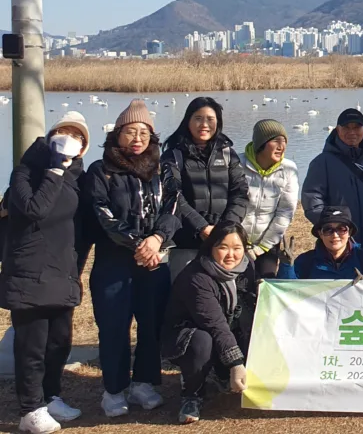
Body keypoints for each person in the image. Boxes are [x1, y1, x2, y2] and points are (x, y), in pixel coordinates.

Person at [84, 100, 180, 418]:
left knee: (151, 326)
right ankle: (113, 389)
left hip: (155, 262)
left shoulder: (163, 169)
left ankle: (144, 382)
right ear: (116, 136)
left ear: (152, 137)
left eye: (143, 132)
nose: (136, 138)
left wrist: (155, 240)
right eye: (129, 132)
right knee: (114, 327)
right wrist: (139, 244)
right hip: (114, 262)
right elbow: (102, 214)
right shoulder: (102, 171)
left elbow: (172, 210)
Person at [0, 113, 90, 433]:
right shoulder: (27, 172)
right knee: (32, 344)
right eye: (64, 133)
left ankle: (51, 396)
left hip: (62, 271)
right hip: (29, 271)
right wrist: (53, 168)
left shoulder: (78, 177)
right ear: (51, 136)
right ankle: (30, 409)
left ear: (83, 148)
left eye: (78, 137)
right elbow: (35, 208)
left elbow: (82, 225)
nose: (70, 139)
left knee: (58, 342)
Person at [161, 224, 257, 425]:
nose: (231, 254)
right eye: (223, 247)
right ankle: (192, 395)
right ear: (211, 247)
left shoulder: (246, 267)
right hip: (187, 336)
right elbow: (215, 324)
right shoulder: (197, 277)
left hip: (227, 330)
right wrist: (236, 364)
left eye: (237, 248)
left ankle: (221, 375)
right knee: (202, 341)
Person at [162, 97, 249, 280]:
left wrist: (225, 229)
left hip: (223, 241)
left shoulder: (227, 154)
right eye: (198, 118)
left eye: (210, 119)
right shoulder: (174, 155)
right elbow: (173, 195)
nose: (204, 124)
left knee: (222, 298)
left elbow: (240, 193)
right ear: (188, 121)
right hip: (186, 241)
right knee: (185, 295)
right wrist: (201, 227)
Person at [302, 108, 363, 259]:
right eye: (346, 127)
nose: (352, 132)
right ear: (338, 129)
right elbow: (312, 198)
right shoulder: (322, 162)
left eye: (356, 127)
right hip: (336, 242)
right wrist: (329, 228)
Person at [239, 119, 298, 279]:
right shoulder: (237, 165)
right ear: (261, 143)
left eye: (284, 141)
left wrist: (262, 247)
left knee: (265, 284)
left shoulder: (288, 169)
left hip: (268, 244)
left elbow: (285, 212)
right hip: (236, 242)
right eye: (275, 140)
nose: (282, 146)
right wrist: (236, 242)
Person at [278, 208, 363, 281]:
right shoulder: (306, 261)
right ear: (320, 234)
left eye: (341, 229)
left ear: (349, 232)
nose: (335, 235)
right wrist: (287, 267)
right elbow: (287, 294)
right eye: (328, 230)